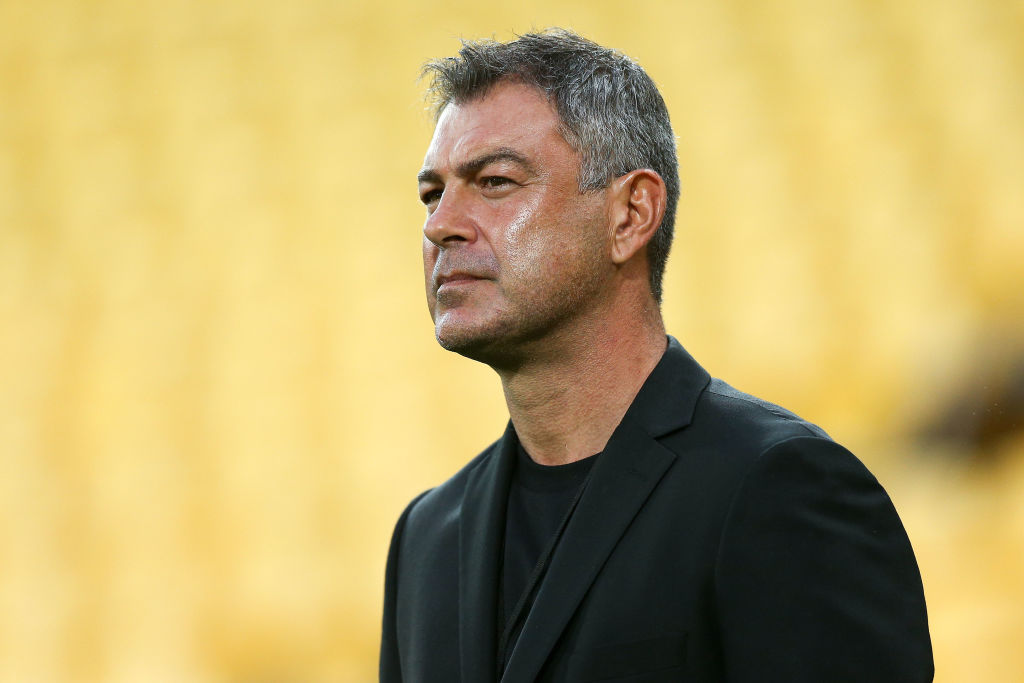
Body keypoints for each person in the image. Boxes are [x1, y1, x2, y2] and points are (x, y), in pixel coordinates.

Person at [380, 29, 933, 683]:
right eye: (431, 193)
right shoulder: (426, 537)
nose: (441, 223)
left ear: (630, 214)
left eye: (494, 181)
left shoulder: (778, 488)